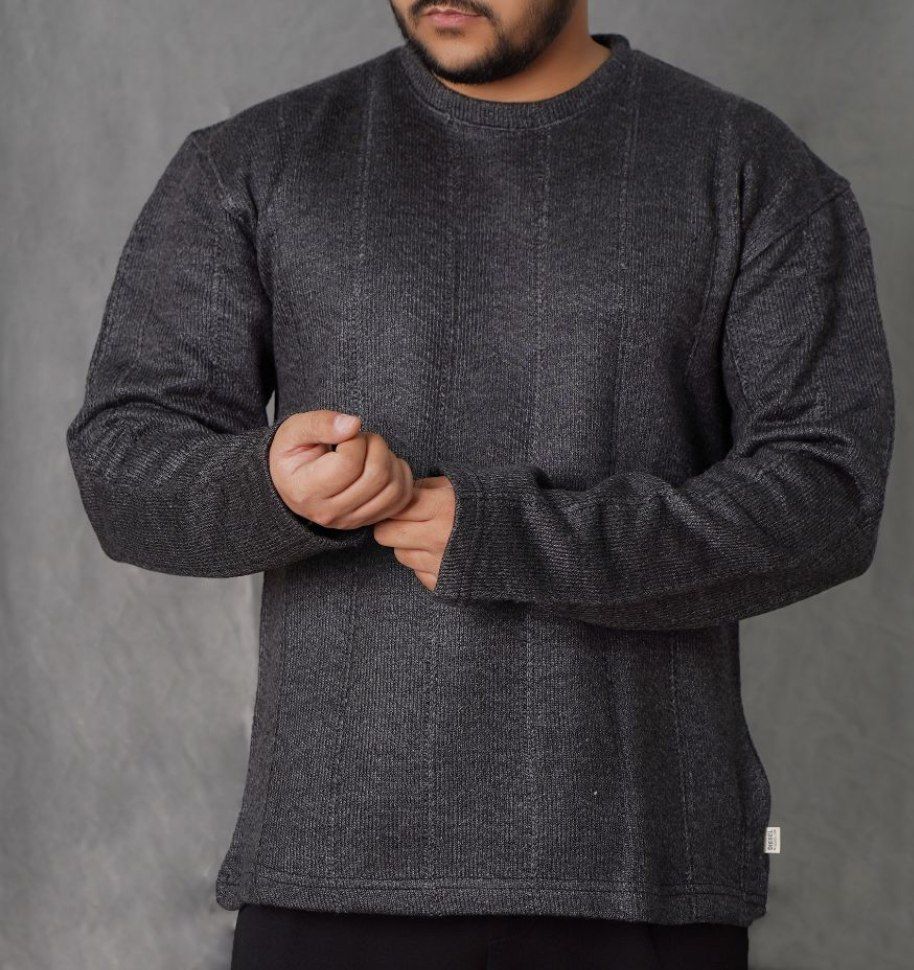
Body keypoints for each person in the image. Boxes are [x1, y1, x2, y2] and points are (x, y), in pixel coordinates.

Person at [65, 1, 895, 967]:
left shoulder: (751, 168)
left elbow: (829, 491)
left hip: (642, 879)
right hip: (331, 874)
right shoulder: (252, 163)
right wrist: (273, 491)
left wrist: (519, 538)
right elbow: (123, 462)